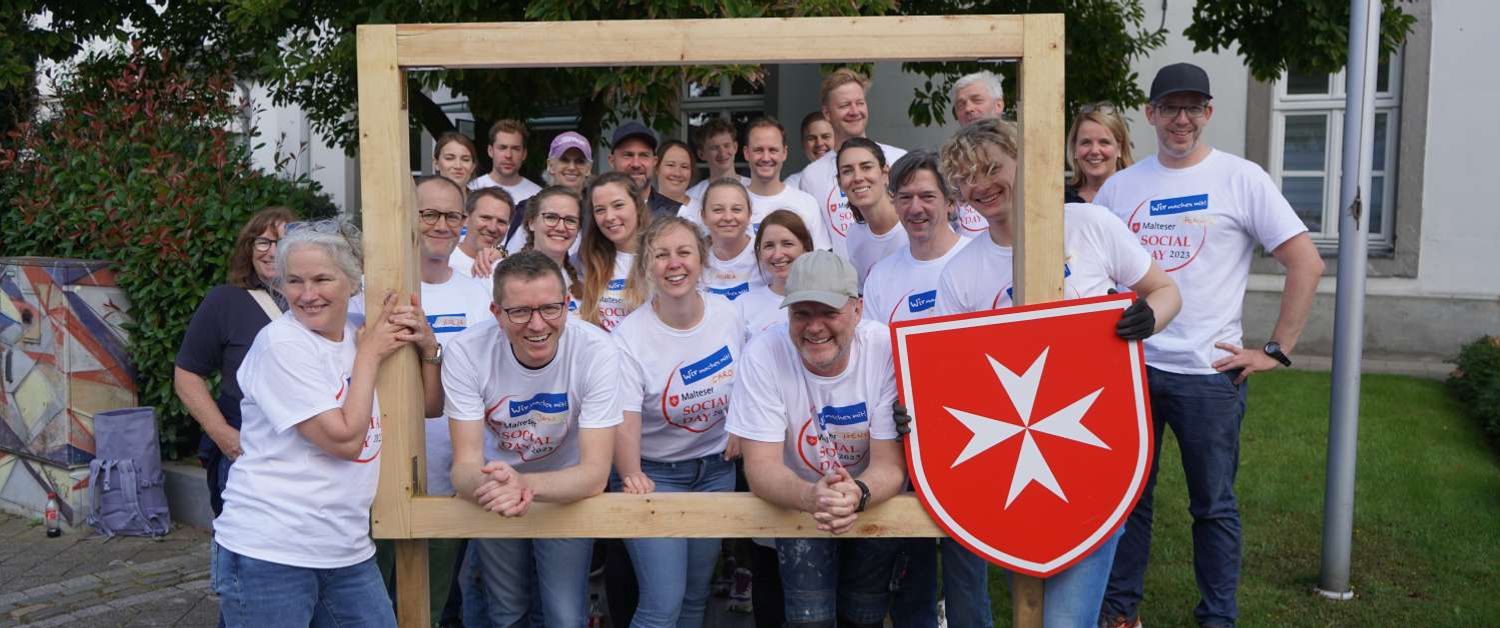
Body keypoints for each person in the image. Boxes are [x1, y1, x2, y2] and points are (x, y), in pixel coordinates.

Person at [1095, 62, 1324, 628]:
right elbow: (1094, 274)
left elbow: (1306, 262)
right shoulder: (1121, 188)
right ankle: (1121, 614)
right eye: (1170, 107)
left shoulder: (1240, 178)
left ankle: (1217, 617)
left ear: (1209, 113)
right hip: (1134, 371)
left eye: (1193, 107)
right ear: (1149, 114)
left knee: (1213, 507)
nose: (1181, 119)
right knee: (1128, 502)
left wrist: (1275, 349)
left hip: (1209, 375)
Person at [934, 116, 1182, 627]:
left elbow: (1167, 291)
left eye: (989, 168)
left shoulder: (1090, 225)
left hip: (1097, 452)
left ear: (1022, 161)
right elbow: (951, 373)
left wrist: (1148, 316)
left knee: (1065, 622)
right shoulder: (960, 272)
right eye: (964, 179)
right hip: (1009, 466)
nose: (978, 185)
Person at [211, 220, 433, 627]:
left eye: (322, 279)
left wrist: (427, 345)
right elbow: (345, 440)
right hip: (271, 551)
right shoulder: (282, 344)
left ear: (351, 281)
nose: (307, 294)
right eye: (294, 281)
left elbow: (430, 405)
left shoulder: (357, 333)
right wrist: (368, 356)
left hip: (345, 548)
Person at [445, 250, 623, 628]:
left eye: (550, 309)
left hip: (566, 490)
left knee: (563, 615)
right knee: (507, 613)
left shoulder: (597, 351)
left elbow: (594, 473)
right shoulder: (466, 351)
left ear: (568, 304)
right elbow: (463, 467)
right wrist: (499, 487)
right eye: (520, 312)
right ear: (496, 313)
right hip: (493, 492)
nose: (537, 324)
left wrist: (522, 484)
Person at [728, 250, 907, 628]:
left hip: (872, 498)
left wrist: (857, 493)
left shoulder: (885, 348)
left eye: (828, 312)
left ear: (857, 310)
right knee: (810, 621)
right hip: (798, 502)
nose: (814, 327)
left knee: (865, 617)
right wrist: (813, 497)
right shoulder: (763, 353)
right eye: (801, 313)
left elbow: (890, 465)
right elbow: (760, 468)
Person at [857, 151, 984, 628]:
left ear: (950, 201)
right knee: (909, 564)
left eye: (927, 196)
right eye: (905, 196)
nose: (916, 207)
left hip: (973, 432)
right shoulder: (884, 275)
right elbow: (873, 358)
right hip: (903, 431)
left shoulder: (977, 258)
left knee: (965, 569)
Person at [611, 216, 745, 628]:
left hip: (715, 471)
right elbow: (625, 417)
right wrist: (631, 472)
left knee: (694, 597)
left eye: (684, 252)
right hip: (654, 475)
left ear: (701, 260)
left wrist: (740, 426)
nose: (674, 264)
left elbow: (751, 381)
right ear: (646, 266)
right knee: (661, 605)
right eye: (661, 255)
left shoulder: (728, 315)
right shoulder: (630, 336)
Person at [175, 206, 296, 516]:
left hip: (305, 456)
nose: (272, 252)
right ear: (249, 248)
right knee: (242, 552)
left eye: (283, 242)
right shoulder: (225, 301)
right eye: (263, 242)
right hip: (246, 454)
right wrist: (225, 437)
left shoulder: (317, 304)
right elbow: (187, 375)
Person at [795, 68, 908, 257]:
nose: (855, 111)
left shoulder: (899, 159)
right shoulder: (811, 176)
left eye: (860, 103)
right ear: (827, 113)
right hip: (842, 284)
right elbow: (818, 243)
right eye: (845, 105)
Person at [578, 171, 650, 331]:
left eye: (618, 205)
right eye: (600, 210)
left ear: (637, 206)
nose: (609, 217)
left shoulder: (660, 256)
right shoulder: (585, 260)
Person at [504, 131, 593, 256]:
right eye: (564, 160)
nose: (572, 167)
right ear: (550, 165)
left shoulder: (597, 211)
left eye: (579, 161)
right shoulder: (529, 209)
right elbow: (510, 257)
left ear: (589, 169)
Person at [735, 209, 816, 338]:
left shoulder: (826, 297)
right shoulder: (742, 306)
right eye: (769, 246)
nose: (777, 255)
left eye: (787, 244)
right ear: (759, 253)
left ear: (805, 248)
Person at [838, 138, 908, 285]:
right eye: (847, 171)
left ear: (885, 173)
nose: (857, 178)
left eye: (866, 167)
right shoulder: (854, 235)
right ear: (840, 182)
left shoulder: (913, 226)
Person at [518, 185, 586, 314]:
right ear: (531, 223)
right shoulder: (497, 274)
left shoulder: (583, 283)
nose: (561, 227)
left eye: (570, 220)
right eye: (551, 217)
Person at [699, 178, 764, 301]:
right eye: (718, 210)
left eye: (736, 209)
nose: (728, 217)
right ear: (703, 216)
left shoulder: (765, 255)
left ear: (749, 214)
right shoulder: (694, 258)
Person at [1066, 102, 1135, 204]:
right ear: (1074, 148)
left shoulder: (1137, 196)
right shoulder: (1059, 198)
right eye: (1086, 142)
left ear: (1119, 148)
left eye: (1104, 142)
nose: (1094, 151)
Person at [609, 120, 680, 218]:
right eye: (628, 155)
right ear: (612, 161)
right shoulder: (592, 211)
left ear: (654, 162)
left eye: (644, 155)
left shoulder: (676, 214)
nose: (636, 164)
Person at [469, 119, 542, 204]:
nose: (508, 155)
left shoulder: (538, 195)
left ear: (524, 154)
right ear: (490, 151)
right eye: (502, 148)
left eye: (515, 149)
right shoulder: (472, 189)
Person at [685, 117, 751, 205]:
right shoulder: (692, 197)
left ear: (735, 147)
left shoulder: (754, 189)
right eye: (714, 148)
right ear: (701, 154)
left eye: (726, 146)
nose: (722, 153)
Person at [451, 187, 513, 278]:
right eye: (485, 218)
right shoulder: (444, 261)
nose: (492, 228)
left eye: (501, 222)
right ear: (466, 219)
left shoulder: (510, 269)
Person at [782, 112, 834, 191]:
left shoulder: (852, 178)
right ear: (803, 144)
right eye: (811, 138)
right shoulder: (792, 185)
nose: (819, 143)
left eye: (825, 136)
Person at [656, 139, 695, 207]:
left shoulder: (703, 211)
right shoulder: (641, 210)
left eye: (684, 167)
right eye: (670, 165)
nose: (677, 173)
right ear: (657, 168)